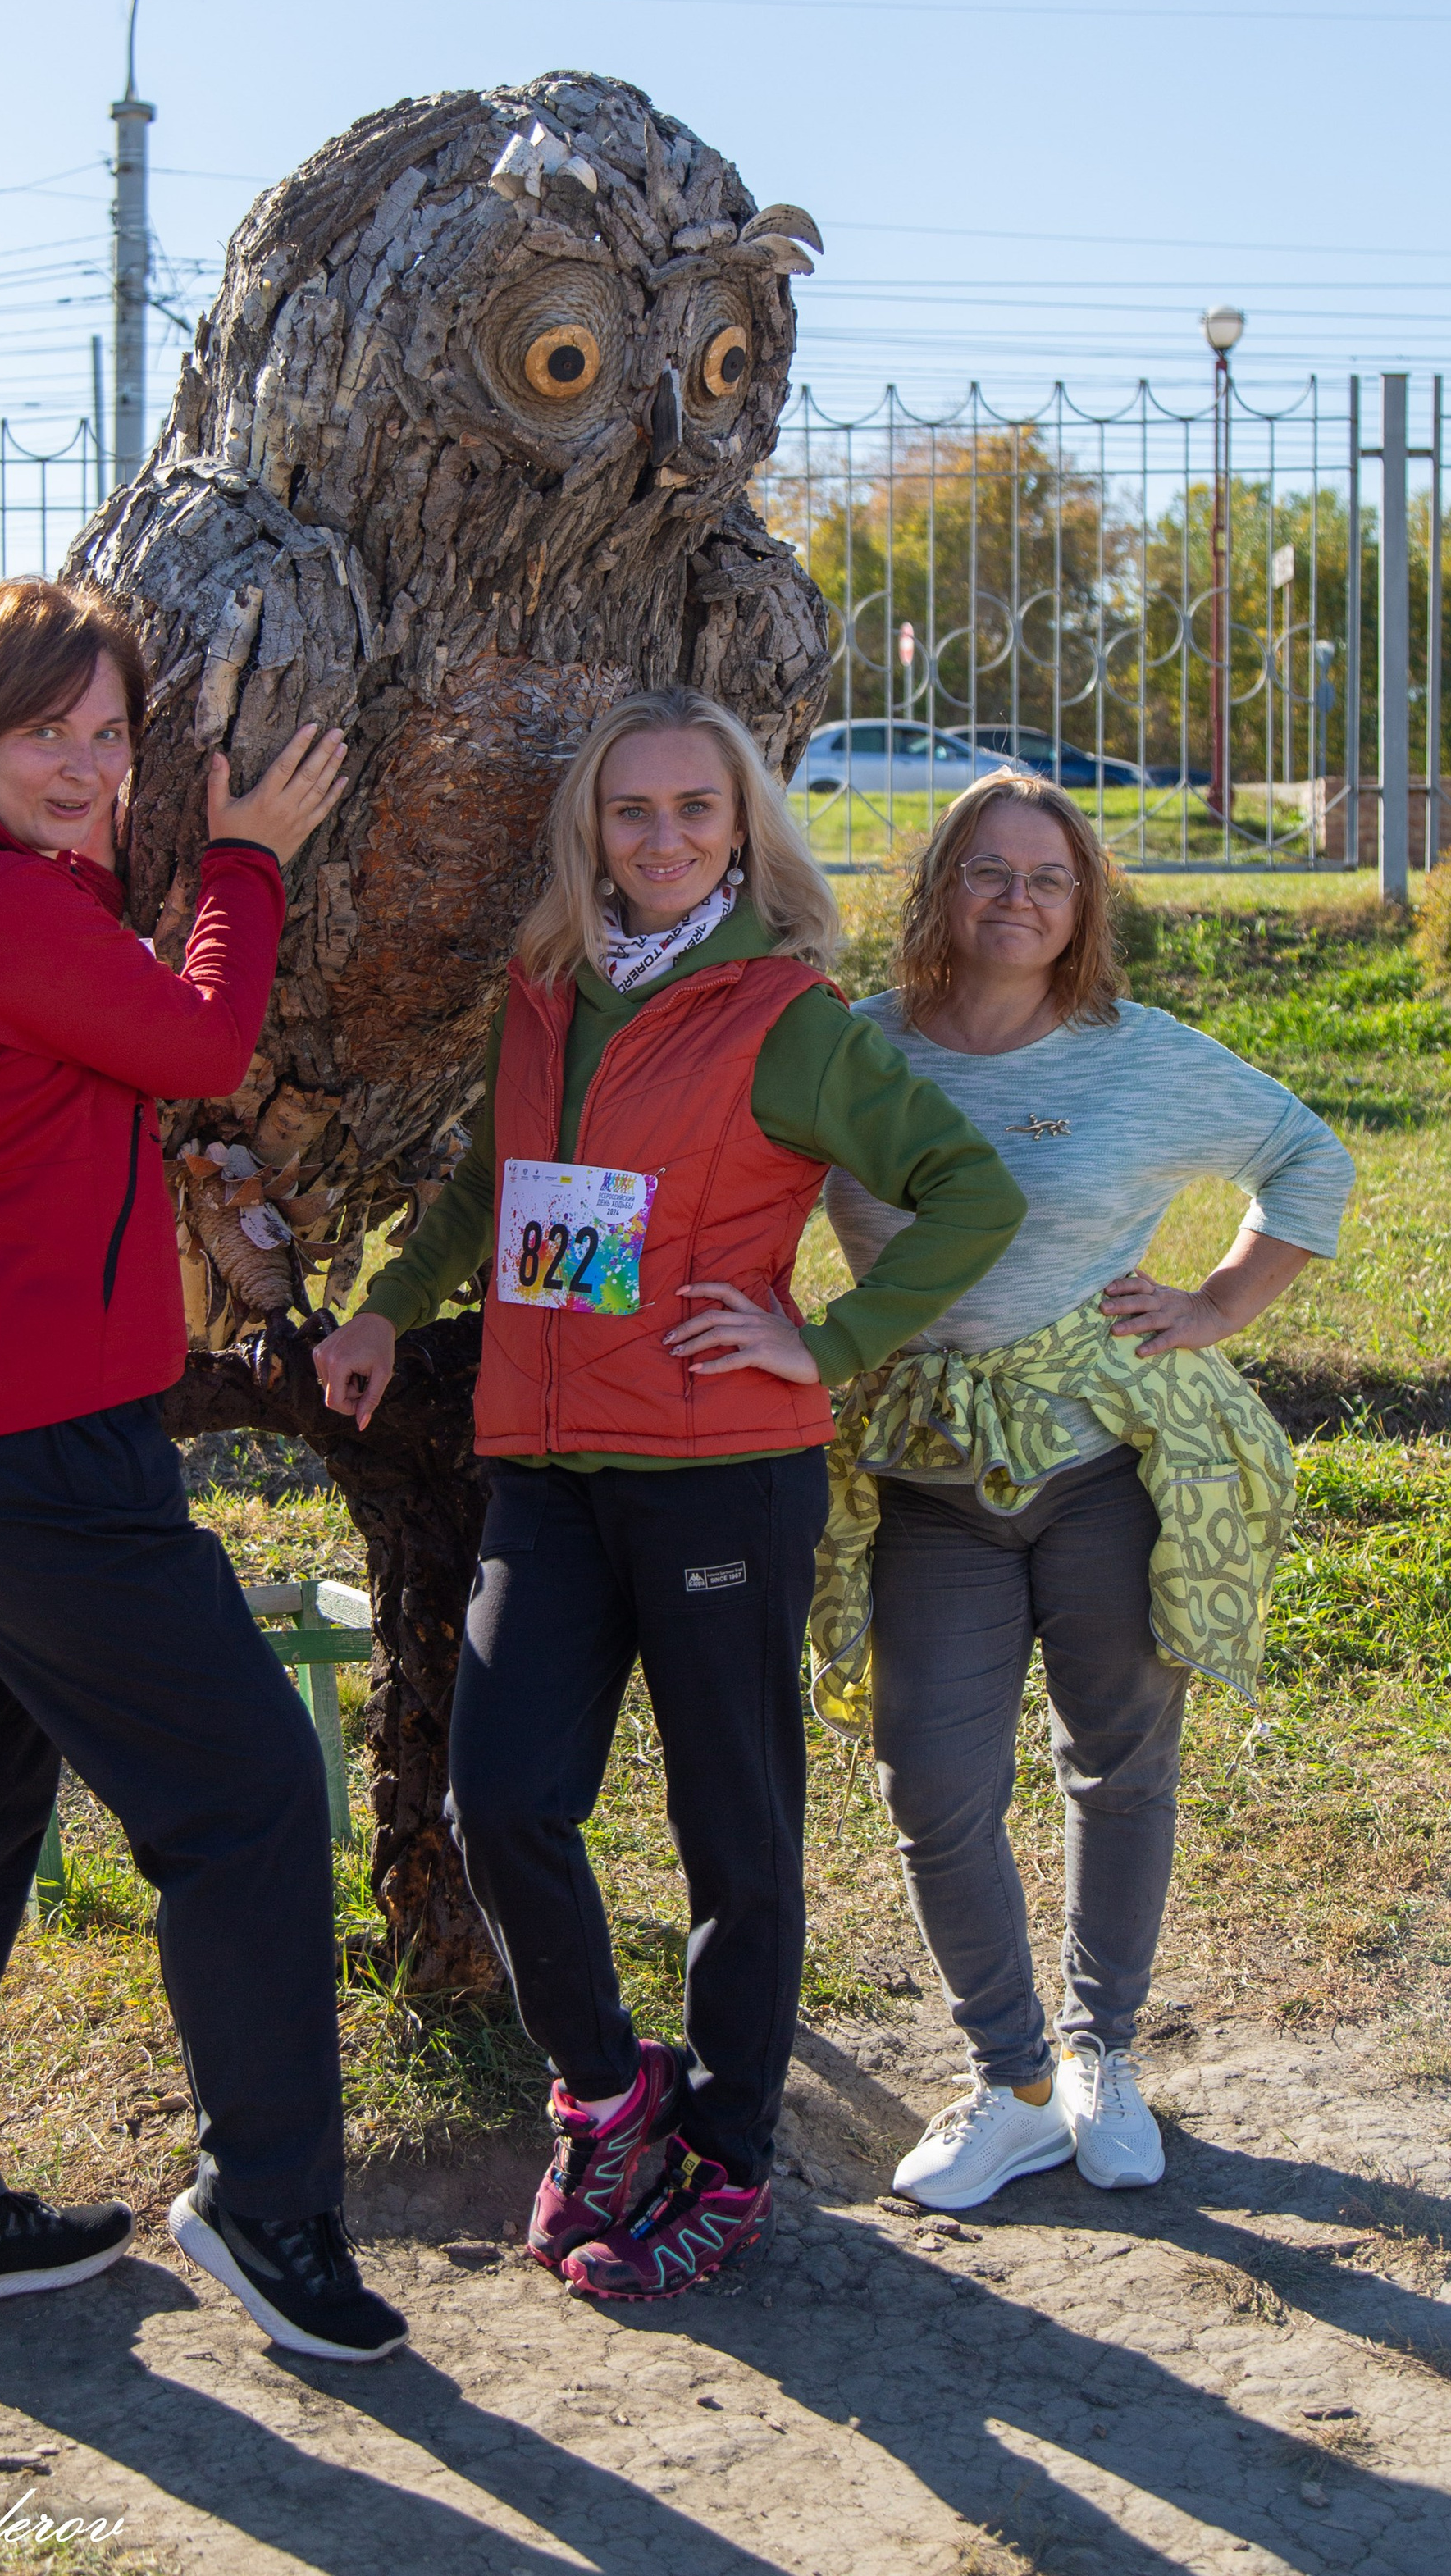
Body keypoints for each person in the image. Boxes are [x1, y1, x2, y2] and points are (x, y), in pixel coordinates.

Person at [314, 686, 1026, 2301]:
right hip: (548, 1468)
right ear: (589, 828)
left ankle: (728, 2157)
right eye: (630, 809)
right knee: (498, 1801)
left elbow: (969, 1191)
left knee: (734, 1839)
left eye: (695, 808)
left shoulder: (786, 1016)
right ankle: (610, 2095)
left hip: (721, 1479)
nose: (661, 837)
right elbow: (490, 1190)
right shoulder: (544, 992)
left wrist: (821, 1341)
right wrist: (383, 1308)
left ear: (741, 829)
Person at [0, 575, 408, 2363]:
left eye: (110, 731)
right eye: (47, 732)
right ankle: (266, 2206)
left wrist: (133, 859)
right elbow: (204, 1042)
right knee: (246, 1794)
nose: (90, 767)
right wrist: (244, 860)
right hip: (29, 1454)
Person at [815, 770, 1355, 2214]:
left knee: (1117, 1762)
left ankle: (1101, 2049)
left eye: (1048, 876)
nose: (1017, 897)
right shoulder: (856, 1050)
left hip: (1106, 1462)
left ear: (1083, 904)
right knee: (933, 1780)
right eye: (987, 870)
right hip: (927, 1469)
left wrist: (1218, 1304)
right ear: (940, 885)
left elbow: (1307, 1157)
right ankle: (1011, 2083)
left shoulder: (1139, 1053)